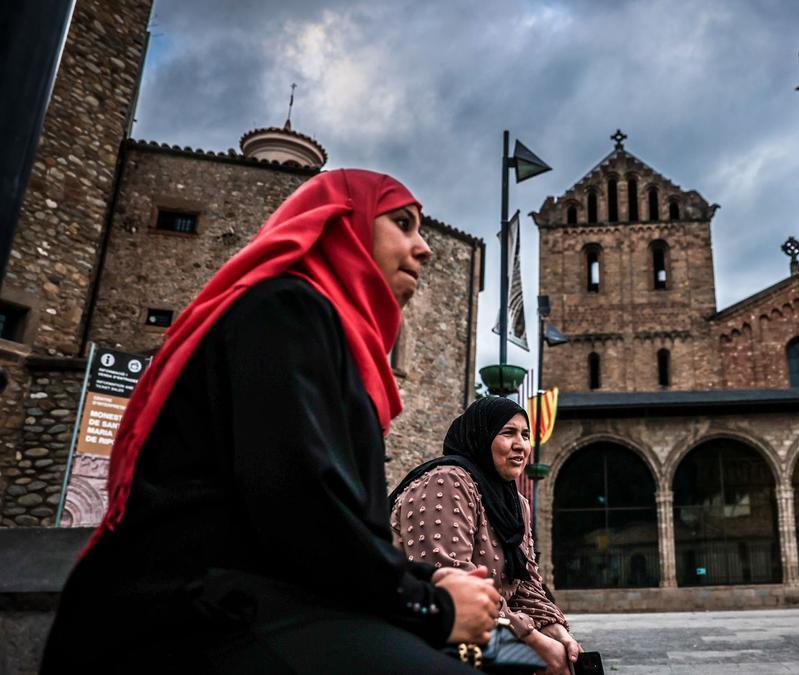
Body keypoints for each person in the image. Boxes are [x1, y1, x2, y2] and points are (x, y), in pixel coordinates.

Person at [42, 170, 499, 673]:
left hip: (245, 604)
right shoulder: (286, 308)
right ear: (342, 225)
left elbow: (321, 520)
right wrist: (432, 607)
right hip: (182, 623)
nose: (424, 248)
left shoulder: (318, 332)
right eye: (404, 224)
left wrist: (427, 584)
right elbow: (299, 503)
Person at [391, 397, 582, 675]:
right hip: (421, 633)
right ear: (480, 436)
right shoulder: (446, 481)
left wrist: (556, 630)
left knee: (563, 658)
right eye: (508, 433)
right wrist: (530, 639)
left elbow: (526, 584)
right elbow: (451, 580)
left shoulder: (515, 504)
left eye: (526, 435)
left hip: (486, 631)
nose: (521, 445)